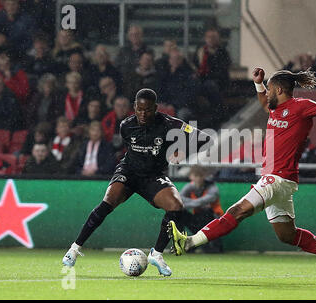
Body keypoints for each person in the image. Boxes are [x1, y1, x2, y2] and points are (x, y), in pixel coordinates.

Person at [168, 68, 316, 285]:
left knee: (238, 211)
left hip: (277, 178)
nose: (265, 93)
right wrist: (258, 84)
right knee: (287, 235)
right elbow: (263, 102)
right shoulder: (275, 109)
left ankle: (189, 242)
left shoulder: (301, 107)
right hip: (279, 181)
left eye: (268, 89)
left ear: (278, 89)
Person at [62, 88, 211, 277]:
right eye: (139, 109)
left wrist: (182, 150)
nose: (143, 114)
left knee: (176, 206)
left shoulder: (170, 124)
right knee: (108, 201)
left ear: (155, 108)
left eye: (147, 110)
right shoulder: (126, 125)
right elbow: (132, 152)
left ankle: (156, 254)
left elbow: (205, 139)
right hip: (129, 172)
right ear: (134, 107)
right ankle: (74, 249)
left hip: (152, 176)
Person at [179, 166, 224, 253]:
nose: (198, 178)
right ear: (191, 177)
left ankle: (201, 244)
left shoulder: (212, 188)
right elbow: (179, 199)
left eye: (200, 176)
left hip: (214, 219)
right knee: (179, 213)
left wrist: (187, 204)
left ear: (204, 176)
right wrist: (192, 203)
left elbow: (200, 202)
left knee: (205, 212)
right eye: (196, 176)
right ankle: (180, 242)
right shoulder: (189, 187)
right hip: (198, 219)